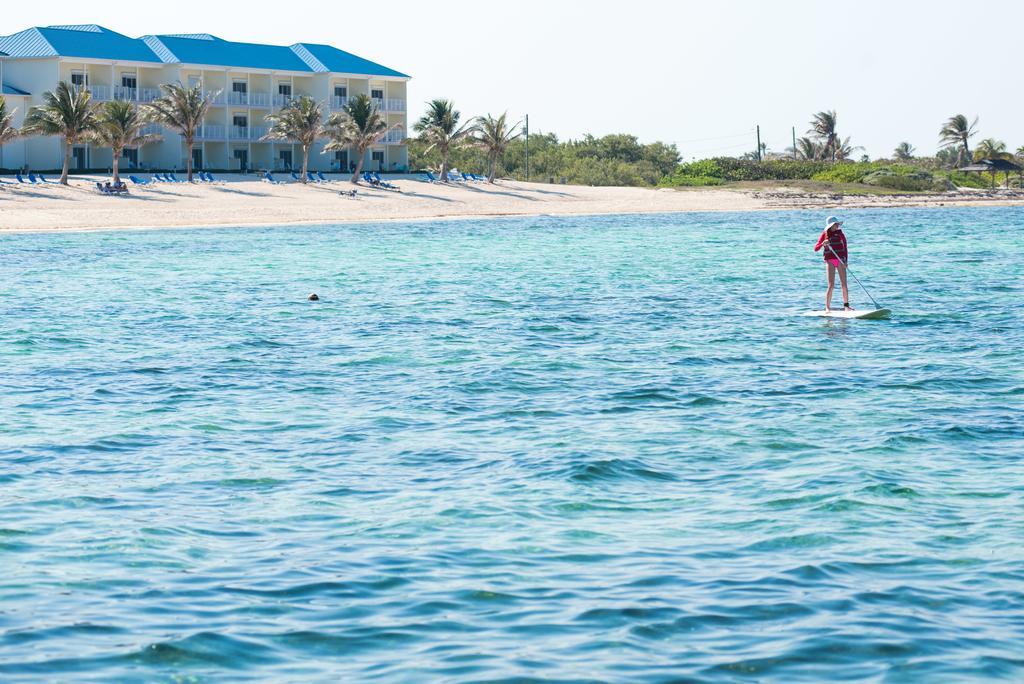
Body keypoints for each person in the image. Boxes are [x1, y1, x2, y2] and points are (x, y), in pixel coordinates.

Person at [814, 216, 853, 312]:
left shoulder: (841, 234)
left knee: (844, 284)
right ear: (831, 225)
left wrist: (846, 261)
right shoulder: (825, 234)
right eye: (835, 224)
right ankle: (827, 307)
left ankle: (846, 306)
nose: (837, 226)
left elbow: (845, 248)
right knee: (831, 285)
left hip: (840, 260)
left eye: (837, 224)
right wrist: (823, 243)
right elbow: (816, 248)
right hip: (830, 260)